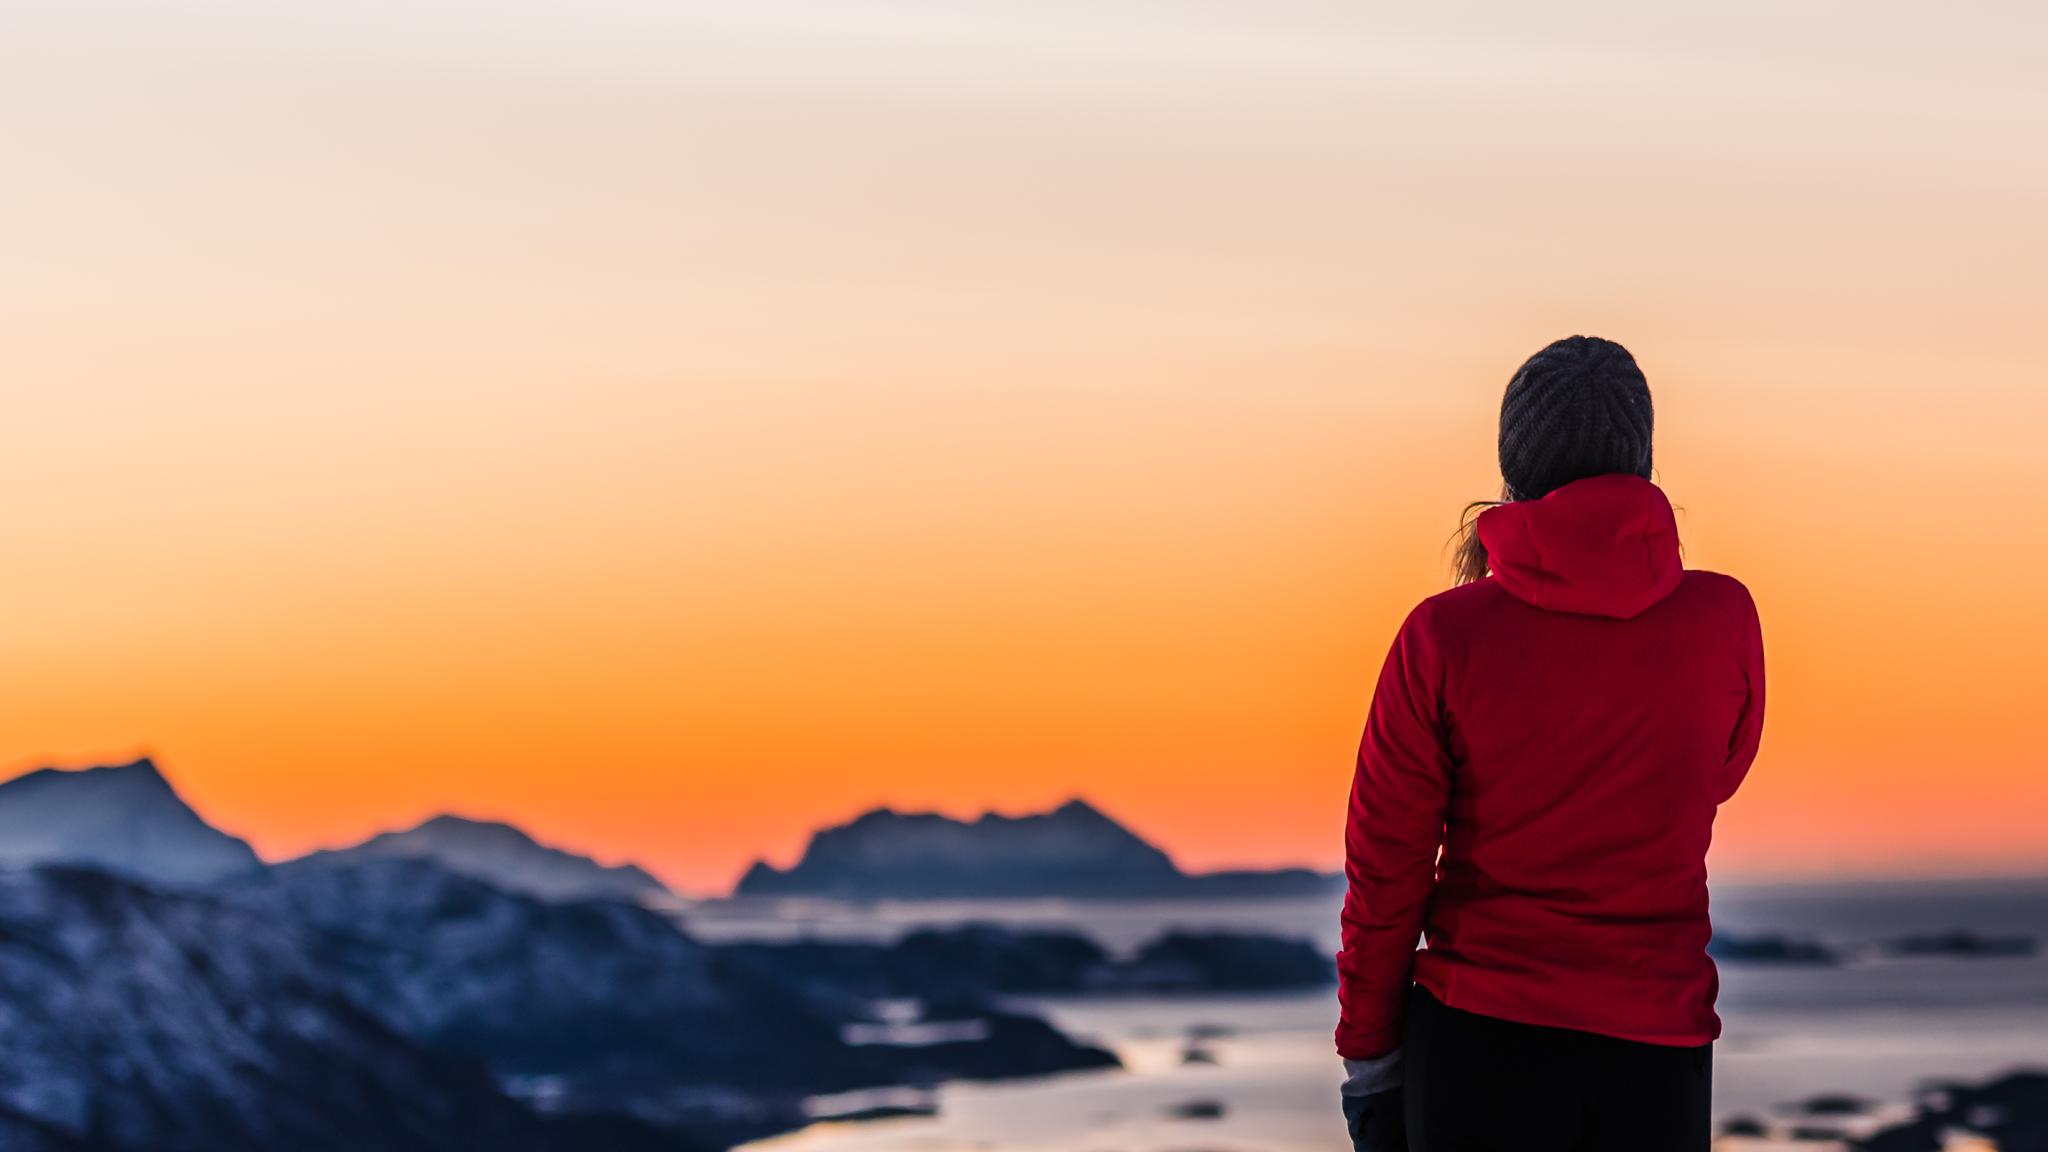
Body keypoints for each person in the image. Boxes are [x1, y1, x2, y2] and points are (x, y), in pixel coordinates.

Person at [1335, 336, 1765, 1152]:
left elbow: (1386, 867)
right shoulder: (1724, 621)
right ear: (1642, 457)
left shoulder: (1444, 636)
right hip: (1659, 1059)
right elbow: (1719, 775)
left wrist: (1369, 1058)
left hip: (1480, 1051)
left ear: (1514, 465)